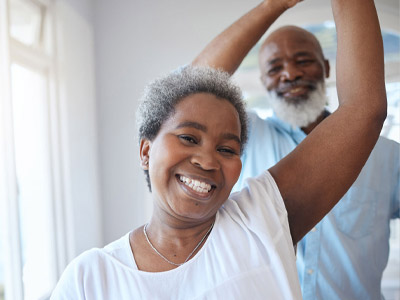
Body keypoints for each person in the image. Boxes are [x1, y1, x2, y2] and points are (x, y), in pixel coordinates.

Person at [51, 0, 387, 299]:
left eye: (228, 149)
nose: (208, 159)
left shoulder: (261, 220)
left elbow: (363, 110)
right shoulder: (88, 278)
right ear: (145, 151)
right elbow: (191, 85)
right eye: (188, 138)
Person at [192, 1, 400, 300]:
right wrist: (274, 5)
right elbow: (189, 90)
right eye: (275, 68)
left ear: (327, 68)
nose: (289, 74)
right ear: (263, 81)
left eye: (303, 60)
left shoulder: (388, 157)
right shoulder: (243, 138)